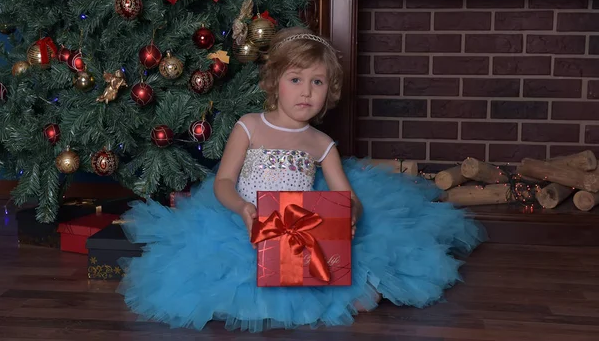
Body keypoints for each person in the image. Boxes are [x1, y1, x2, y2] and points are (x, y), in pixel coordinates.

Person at [116, 27, 486, 333]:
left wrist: (350, 215)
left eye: (318, 82)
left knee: (335, 269)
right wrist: (244, 208)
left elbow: (347, 196)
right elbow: (223, 183)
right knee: (226, 277)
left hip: (297, 227)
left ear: (329, 92)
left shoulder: (320, 144)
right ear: (275, 82)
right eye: (296, 79)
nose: (306, 91)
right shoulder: (250, 126)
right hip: (242, 220)